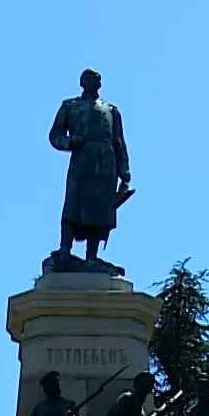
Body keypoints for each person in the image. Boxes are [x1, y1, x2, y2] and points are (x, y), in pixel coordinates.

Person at [48, 68, 130, 269]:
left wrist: (124, 170)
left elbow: (119, 141)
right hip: (82, 159)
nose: (92, 82)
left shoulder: (111, 110)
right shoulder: (70, 106)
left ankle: (91, 257)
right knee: (73, 204)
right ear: (81, 82)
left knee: (100, 208)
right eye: (88, 78)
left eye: (95, 79)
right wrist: (70, 142)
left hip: (105, 163)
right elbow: (55, 135)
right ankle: (65, 249)